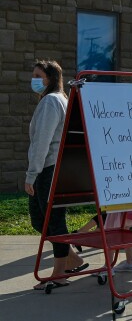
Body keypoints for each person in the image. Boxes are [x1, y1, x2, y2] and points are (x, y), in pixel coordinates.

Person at [25, 60, 87, 290]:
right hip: (52, 169)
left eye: (37, 75)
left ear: (49, 78)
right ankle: (72, 257)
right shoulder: (57, 99)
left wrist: (32, 174)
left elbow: (42, 141)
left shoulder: (51, 102)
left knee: (52, 221)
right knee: (43, 220)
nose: (34, 79)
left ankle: (59, 274)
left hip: (48, 169)